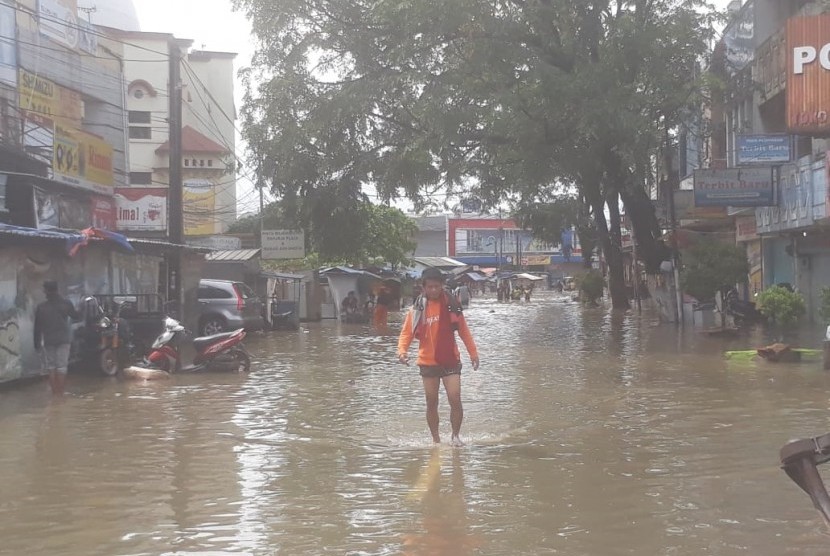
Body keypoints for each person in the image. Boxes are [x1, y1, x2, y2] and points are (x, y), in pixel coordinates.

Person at [398, 268, 480, 446]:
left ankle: (455, 436)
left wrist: (473, 353)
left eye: (437, 286)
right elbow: (406, 333)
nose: (434, 290)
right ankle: (435, 439)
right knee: (431, 401)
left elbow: (464, 331)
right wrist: (402, 351)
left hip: (451, 359)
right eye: (430, 287)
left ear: (442, 286)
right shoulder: (417, 310)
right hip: (428, 362)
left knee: (455, 397)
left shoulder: (452, 305)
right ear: (424, 287)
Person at [34, 280, 79, 396]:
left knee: (51, 366)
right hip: (64, 339)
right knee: (62, 367)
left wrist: (37, 344)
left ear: (46, 291)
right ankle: (61, 393)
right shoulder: (66, 303)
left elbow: (37, 327)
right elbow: (75, 316)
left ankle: (55, 393)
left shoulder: (41, 307)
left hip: (49, 340)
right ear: (57, 289)